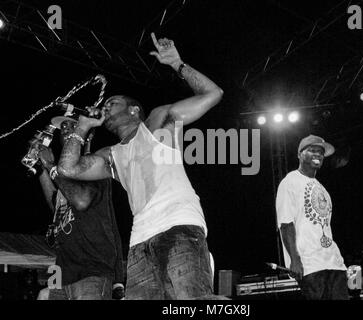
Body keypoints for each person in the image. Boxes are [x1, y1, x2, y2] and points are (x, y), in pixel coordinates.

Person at [57, 33, 224, 300]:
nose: (106, 108)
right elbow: (68, 169)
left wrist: (177, 64)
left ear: (134, 110)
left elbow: (213, 94)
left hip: (179, 224)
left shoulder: (157, 123)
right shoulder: (111, 154)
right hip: (139, 241)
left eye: (113, 103)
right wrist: (83, 126)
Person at [35, 116, 124, 300]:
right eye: (64, 127)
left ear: (87, 136)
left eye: (73, 125)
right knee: (43, 295)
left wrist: (51, 166)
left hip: (91, 272)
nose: (67, 128)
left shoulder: (94, 165)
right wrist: (41, 168)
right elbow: (56, 205)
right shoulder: (64, 180)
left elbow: (81, 200)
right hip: (62, 274)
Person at [276, 134, 348, 300]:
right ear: (300, 154)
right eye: (312, 150)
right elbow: (285, 223)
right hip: (310, 264)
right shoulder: (290, 182)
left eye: (321, 152)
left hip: (334, 263)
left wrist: (339, 259)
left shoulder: (323, 189)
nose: (318, 154)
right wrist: (294, 259)